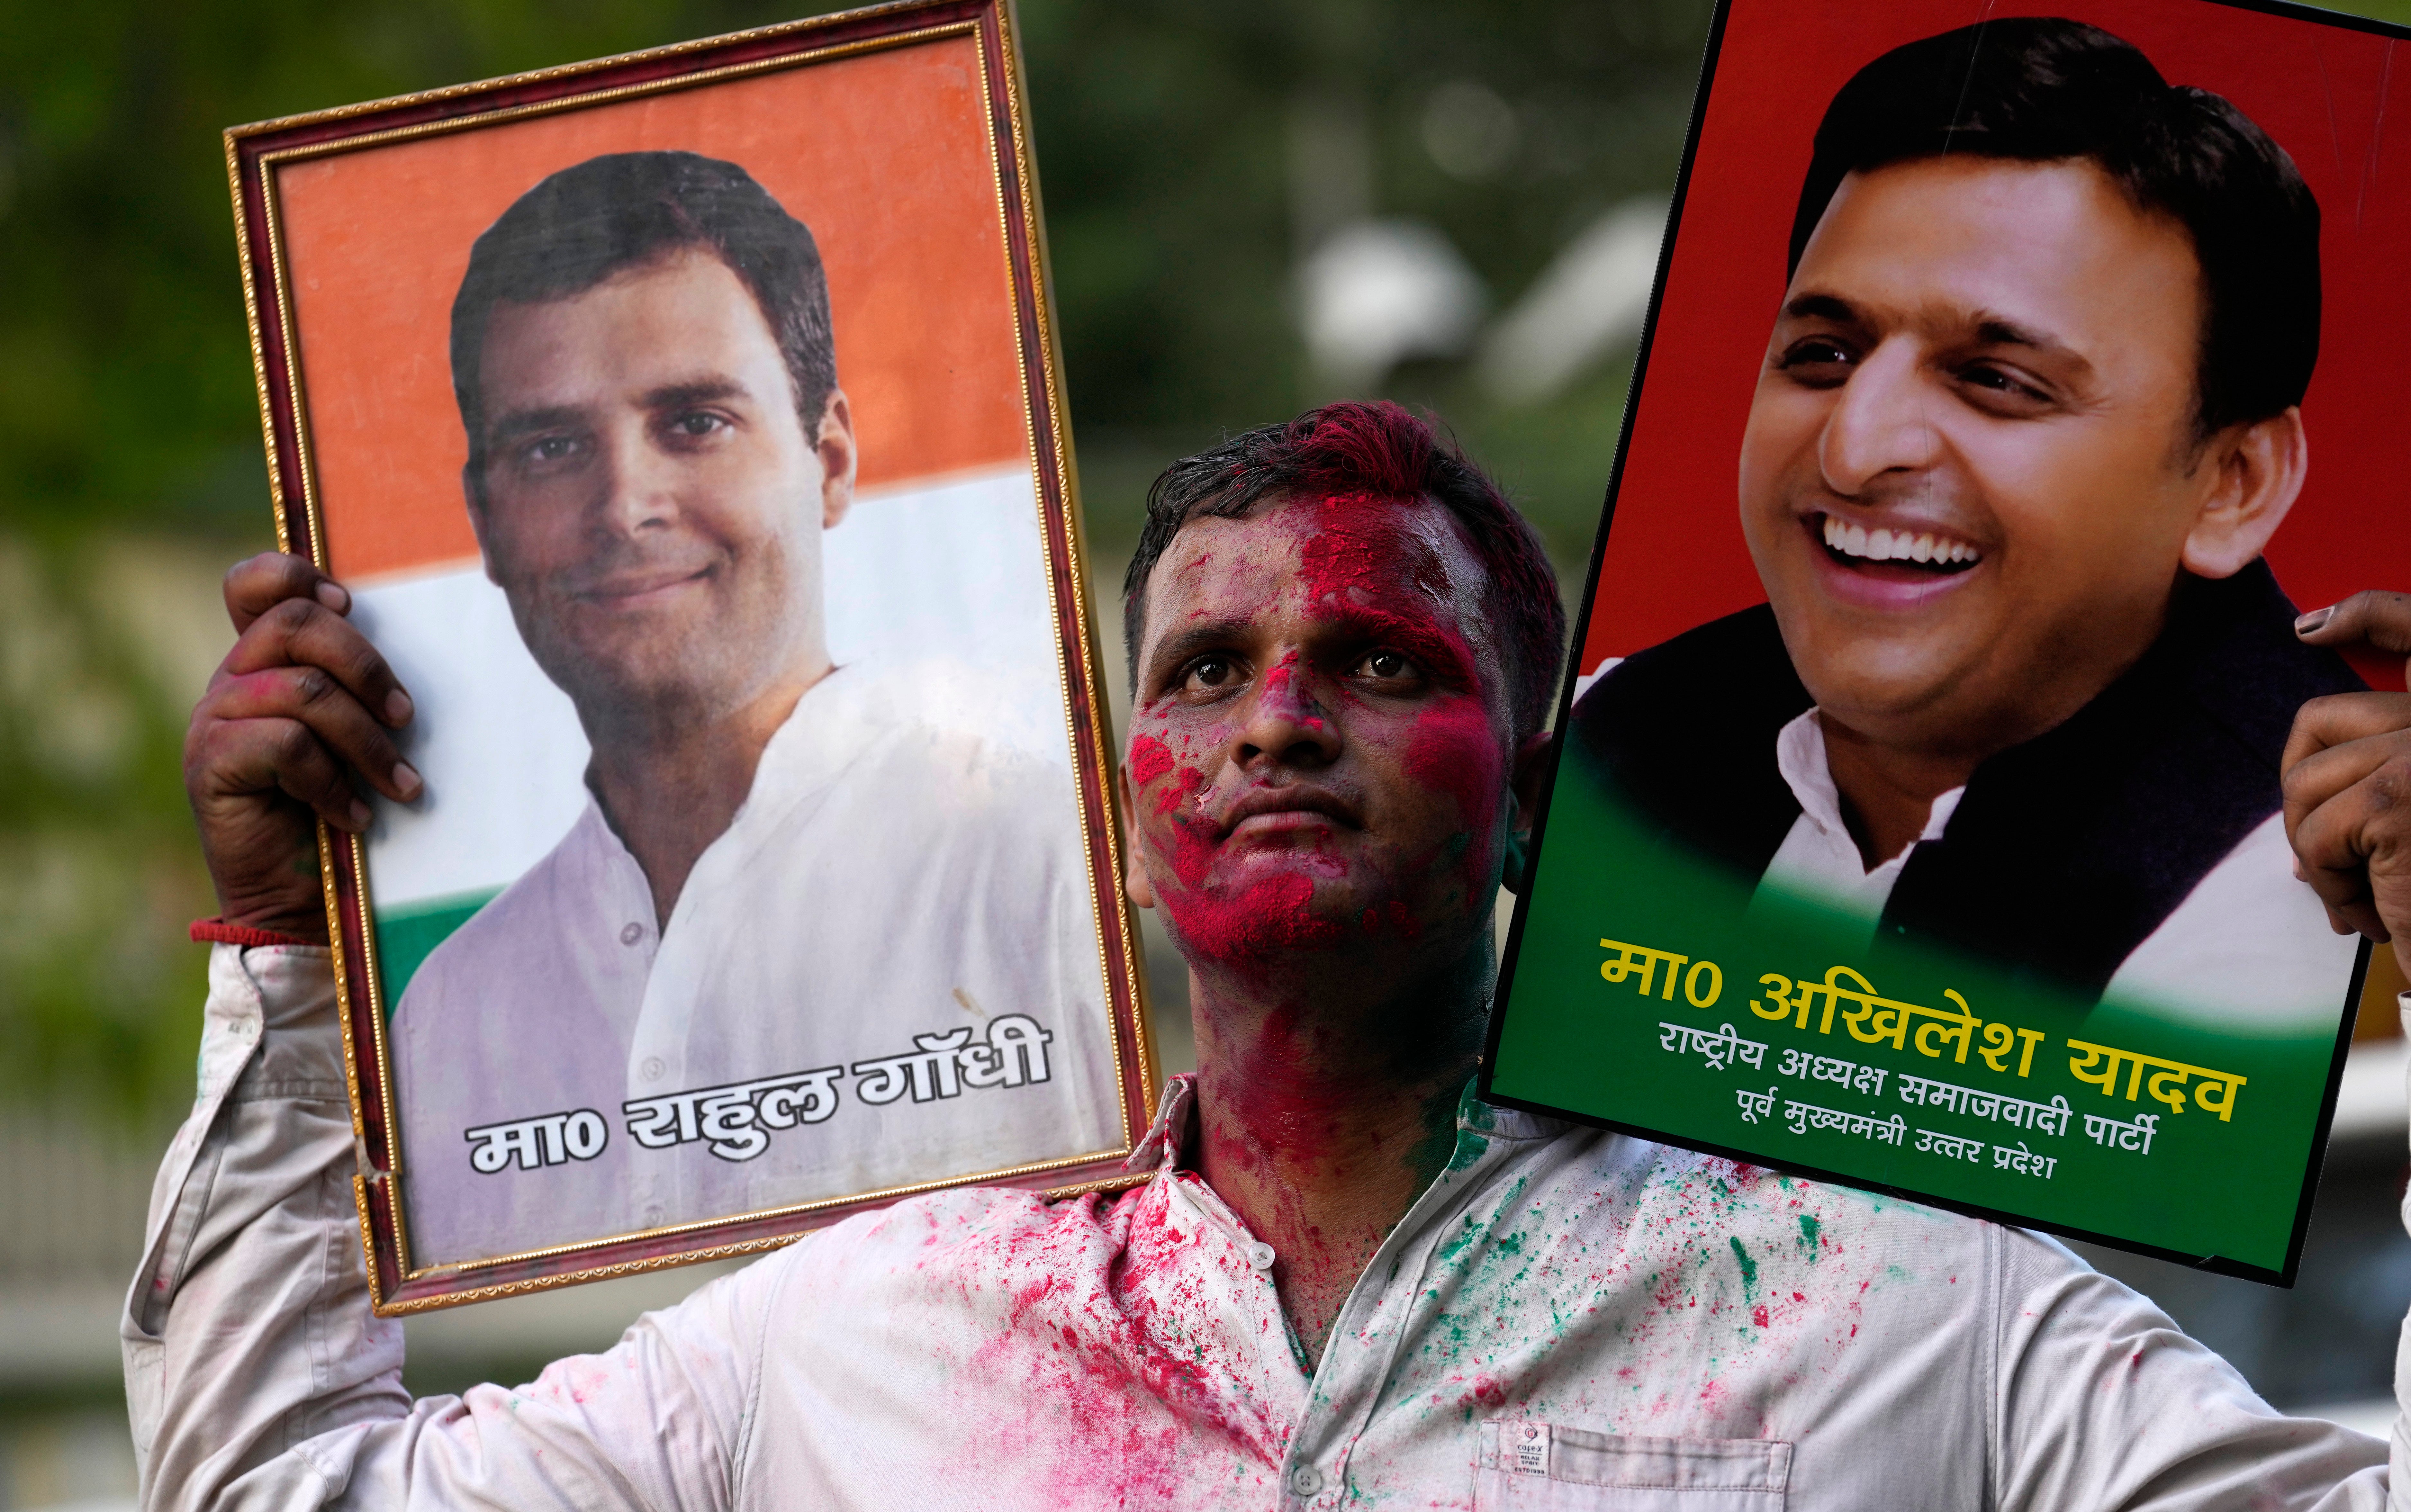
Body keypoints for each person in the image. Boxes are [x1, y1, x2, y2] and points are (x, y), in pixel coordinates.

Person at [152, 400, 2411, 1508]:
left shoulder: (1892, 1297)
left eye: (1379, 659)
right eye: (1206, 671)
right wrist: (290, 954)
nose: (1276, 724)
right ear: (1125, 809)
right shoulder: (861, 1332)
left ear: (1538, 790)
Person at [360, 150, 1113, 1264]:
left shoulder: (1051, 870)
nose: (625, 506)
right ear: (484, 515)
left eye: (695, 421)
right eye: (553, 446)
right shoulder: (446, 1016)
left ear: (833, 461)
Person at [1569, 18, 2364, 1020]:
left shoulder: (2304, 892)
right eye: (1824, 355)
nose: (1852, 451)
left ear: (2231, 484)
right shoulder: (1622, 732)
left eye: (1996, 380)